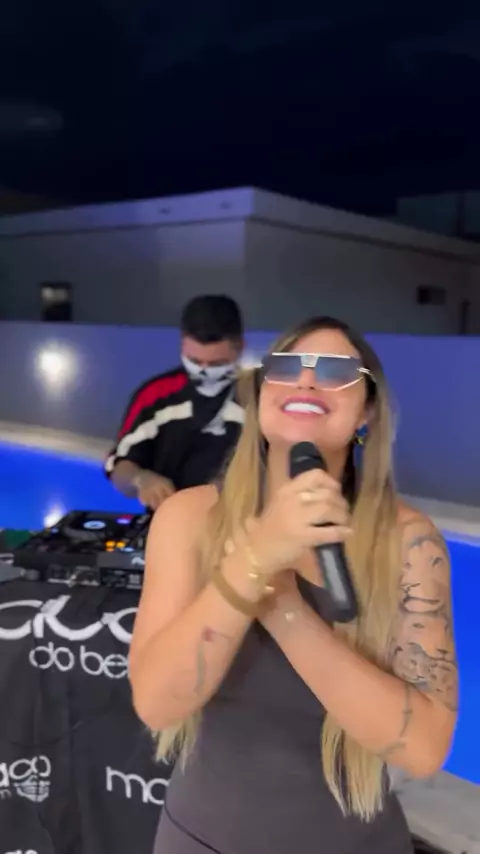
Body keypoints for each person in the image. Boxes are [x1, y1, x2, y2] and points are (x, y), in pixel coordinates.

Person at [129, 316, 458, 854]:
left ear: (367, 411)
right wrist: (254, 559)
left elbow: (422, 750)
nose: (305, 380)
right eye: (285, 367)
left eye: (334, 371)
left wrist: (284, 605)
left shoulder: (408, 542)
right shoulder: (189, 519)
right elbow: (157, 704)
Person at [105, 295, 245, 509]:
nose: (204, 371)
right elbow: (119, 467)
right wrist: (140, 479)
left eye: (217, 363)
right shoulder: (156, 395)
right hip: (167, 520)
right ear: (183, 344)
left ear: (240, 347)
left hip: (242, 522)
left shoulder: (260, 396)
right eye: (194, 361)